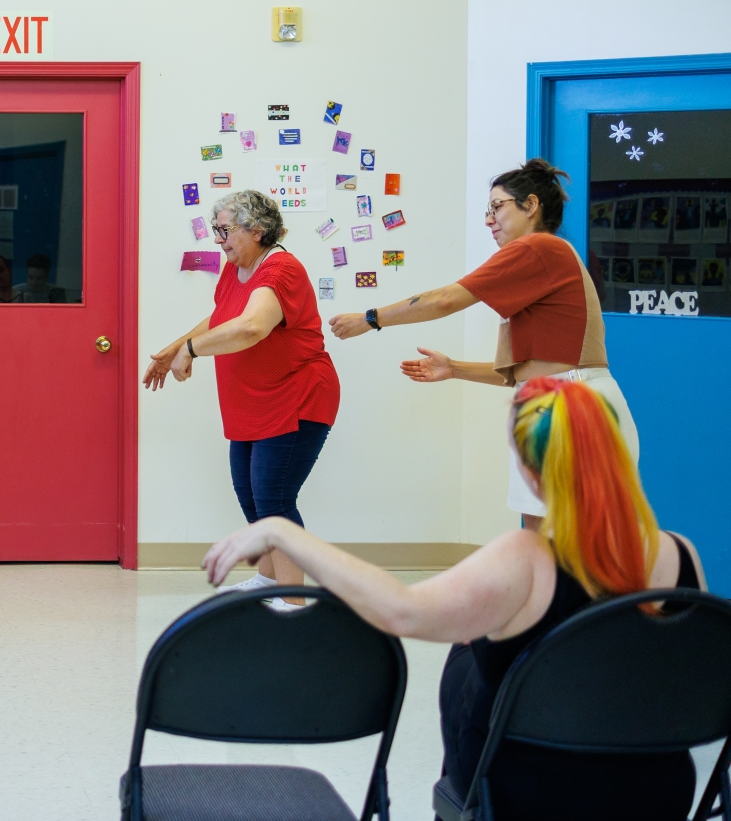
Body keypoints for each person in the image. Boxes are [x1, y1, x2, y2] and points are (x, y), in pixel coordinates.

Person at [203, 377, 706, 821]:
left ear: (533, 476)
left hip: (535, 794)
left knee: (469, 648)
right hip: (659, 792)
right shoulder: (681, 555)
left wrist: (282, 532)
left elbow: (402, 608)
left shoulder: (524, 559)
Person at [328, 159, 638, 529]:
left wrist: (370, 318)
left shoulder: (538, 247)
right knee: (545, 537)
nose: (489, 219)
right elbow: (523, 374)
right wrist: (454, 369)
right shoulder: (545, 258)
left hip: (570, 402)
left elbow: (445, 299)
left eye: (497, 206)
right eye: (487, 210)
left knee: (566, 542)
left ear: (531, 206)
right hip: (556, 398)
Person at [143, 189, 339, 607]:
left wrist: (192, 351)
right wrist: (174, 348)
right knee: (249, 493)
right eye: (216, 230)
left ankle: (293, 602)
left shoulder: (281, 270)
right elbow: (220, 318)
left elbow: (252, 327)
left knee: (275, 499)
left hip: (295, 396)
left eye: (225, 230)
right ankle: (269, 580)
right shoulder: (237, 269)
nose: (218, 239)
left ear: (257, 229)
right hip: (253, 401)